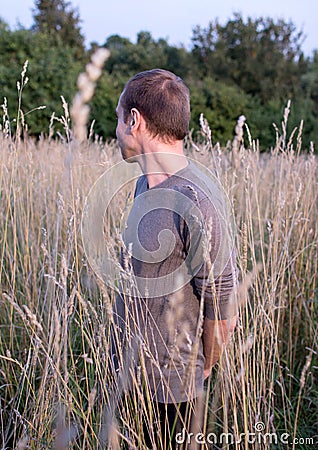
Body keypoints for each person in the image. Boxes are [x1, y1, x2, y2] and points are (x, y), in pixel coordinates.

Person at [111, 69, 238, 449]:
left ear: (135, 121)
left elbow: (223, 306)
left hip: (173, 395)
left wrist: (202, 368)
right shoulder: (141, 185)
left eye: (119, 119)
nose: (116, 130)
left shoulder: (196, 200)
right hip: (130, 379)